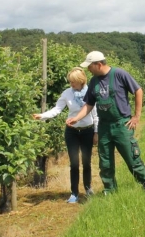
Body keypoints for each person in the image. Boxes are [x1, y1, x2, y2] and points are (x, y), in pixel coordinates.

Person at [66, 51, 145, 194]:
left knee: (131, 157)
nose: (88, 69)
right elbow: (88, 104)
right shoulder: (94, 81)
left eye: (90, 66)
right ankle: (110, 190)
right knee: (105, 161)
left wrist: (137, 116)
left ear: (98, 64)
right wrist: (77, 118)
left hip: (122, 125)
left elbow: (138, 90)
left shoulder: (119, 74)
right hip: (104, 127)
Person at [33, 67, 98, 204]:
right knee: (74, 163)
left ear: (81, 81)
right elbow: (57, 109)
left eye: (73, 82)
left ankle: (88, 188)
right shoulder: (67, 93)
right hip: (72, 132)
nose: (71, 85)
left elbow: (95, 115)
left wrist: (96, 132)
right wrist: (42, 116)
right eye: (70, 82)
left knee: (86, 163)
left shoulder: (91, 92)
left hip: (87, 131)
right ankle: (74, 193)